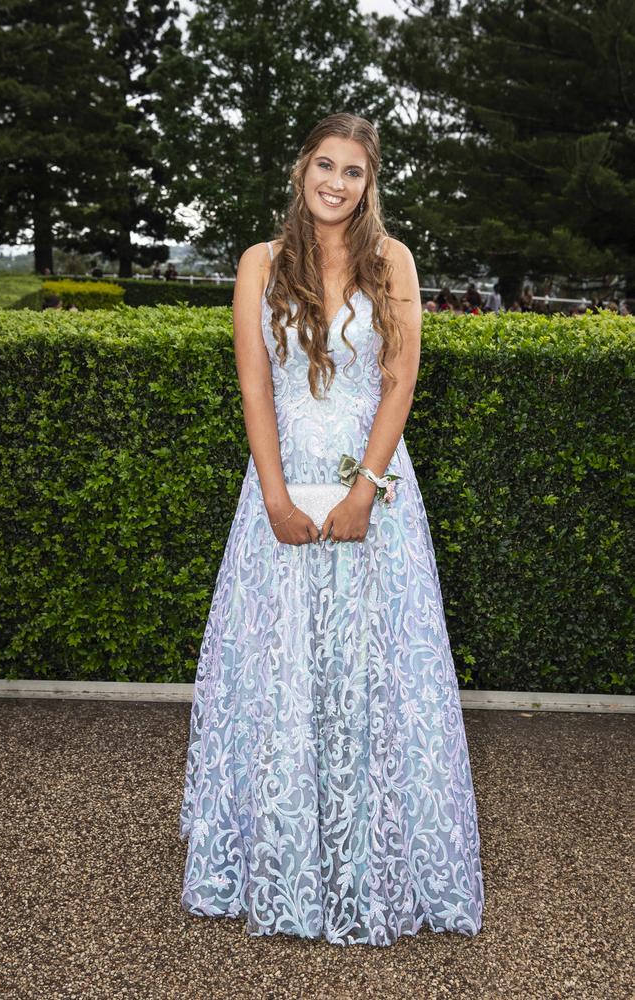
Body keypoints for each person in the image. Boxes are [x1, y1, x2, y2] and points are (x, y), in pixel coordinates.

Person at [179, 112, 485, 947]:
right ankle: (281, 859)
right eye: (326, 164)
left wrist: (364, 491)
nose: (337, 182)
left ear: (369, 183)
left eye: (354, 171)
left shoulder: (394, 262)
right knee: (280, 675)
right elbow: (255, 389)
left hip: (372, 498)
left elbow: (399, 381)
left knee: (369, 675)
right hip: (280, 493)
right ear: (300, 169)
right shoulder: (259, 264)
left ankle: (367, 860)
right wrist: (276, 499)